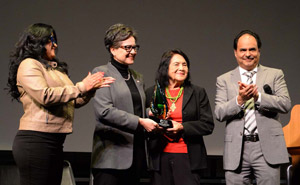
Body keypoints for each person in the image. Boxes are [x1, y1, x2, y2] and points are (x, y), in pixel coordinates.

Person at [6, 23, 114, 185]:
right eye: (50, 40)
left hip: (55, 142)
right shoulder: (29, 64)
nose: (55, 44)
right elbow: (45, 96)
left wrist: (90, 90)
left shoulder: (56, 70)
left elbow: (74, 101)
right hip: (35, 141)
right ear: (38, 42)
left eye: (55, 40)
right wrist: (82, 86)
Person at [214, 30, 291, 185]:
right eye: (243, 50)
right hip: (237, 149)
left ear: (259, 51)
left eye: (252, 49)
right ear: (235, 53)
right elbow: (219, 112)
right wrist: (240, 100)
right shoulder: (224, 79)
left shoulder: (275, 74)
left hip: (267, 148)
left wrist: (259, 97)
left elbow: (285, 103)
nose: (248, 54)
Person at [91, 23, 158, 185]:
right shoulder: (101, 73)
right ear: (113, 49)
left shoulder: (137, 77)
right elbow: (104, 111)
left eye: (135, 47)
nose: (133, 52)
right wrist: (140, 121)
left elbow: (135, 108)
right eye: (128, 48)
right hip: (110, 157)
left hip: (136, 153)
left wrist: (149, 113)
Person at [145, 49, 214, 185]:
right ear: (165, 68)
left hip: (188, 158)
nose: (181, 68)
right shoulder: (151, 92)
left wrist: (182, 127)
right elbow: (142, 121)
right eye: (176, 64)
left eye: (185, 65)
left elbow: (208, 125)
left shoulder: (197, 92)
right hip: (159, 158)